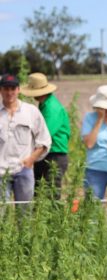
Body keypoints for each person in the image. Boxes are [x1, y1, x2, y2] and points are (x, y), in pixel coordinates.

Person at [0, 74, 51, 205]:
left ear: (18, 90)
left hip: (23, 171)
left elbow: (44, 140)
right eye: (6, 88)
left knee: (24, 216)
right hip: (1, 173)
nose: (9, 92)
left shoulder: (31, 111)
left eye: (13, 88)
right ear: (1, 90)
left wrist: (31, 160)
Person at [20, 73, 70, 198]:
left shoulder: (52, 108)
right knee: (40, 194)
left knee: (50, 197)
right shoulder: (45, 104)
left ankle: (55, 218)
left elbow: (44, 134)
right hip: (46, 155)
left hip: (54, 156)